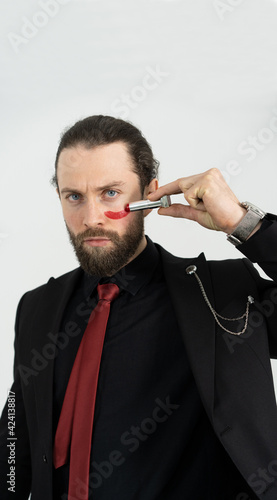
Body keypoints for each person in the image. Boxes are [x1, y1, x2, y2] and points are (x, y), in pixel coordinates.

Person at [0, 115, 277, 500]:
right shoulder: (37, 307)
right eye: (74, 197)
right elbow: (16, 441)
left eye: (110, 193)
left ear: (149, 196)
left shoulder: (223, 292)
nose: (91, 217)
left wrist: (243, 224)